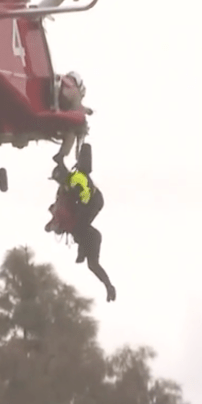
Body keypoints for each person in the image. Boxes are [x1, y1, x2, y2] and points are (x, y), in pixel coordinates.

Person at [49, 162, 116, 302]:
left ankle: (82, 249)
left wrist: (78, 207)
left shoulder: (77, 178)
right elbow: (59, 203)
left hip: (94, 201)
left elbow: (86, 194)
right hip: (90, 232)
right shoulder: (63, 188)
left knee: (79, 224)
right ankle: (108, 286)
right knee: (92, 263)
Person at [52, 71, 93, 166]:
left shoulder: (61, 83)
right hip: (58, 116)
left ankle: (61, 156)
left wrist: (87, 110)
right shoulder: (73, 89)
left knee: (71, 132)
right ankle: (76, 159)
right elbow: (77, 109)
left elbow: (75, 107)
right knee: (75, 131)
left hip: (56, 113)